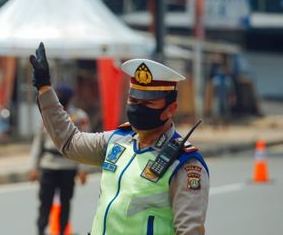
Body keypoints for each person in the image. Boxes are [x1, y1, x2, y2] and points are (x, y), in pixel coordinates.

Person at [29, 42, 209, 235]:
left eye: (148, 103)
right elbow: (71, 142)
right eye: (133, 100)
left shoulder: (184, 164)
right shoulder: (117, 140)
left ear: (170, 109)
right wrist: (45, 89)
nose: (137, 107)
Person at [29, 84, 90, 235]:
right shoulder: (47, 115)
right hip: (48, 164)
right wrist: (33, 167)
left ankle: (62, 231)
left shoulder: (79, 117)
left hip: (68, 166)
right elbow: (38, 142)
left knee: (65, 203)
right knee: (45, 203)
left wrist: (83, 170)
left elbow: (84, 144)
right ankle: (41, 230)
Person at [210, 61, 235, 130]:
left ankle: (225, 126)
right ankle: (215, 126)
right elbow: (213, 89)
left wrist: (232, 98)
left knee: (226, 113)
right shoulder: (216, 79)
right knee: (216, 113)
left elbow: (232, 90)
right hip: (217, 98)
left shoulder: (228, 79)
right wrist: (212, 98)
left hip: (226, 98)